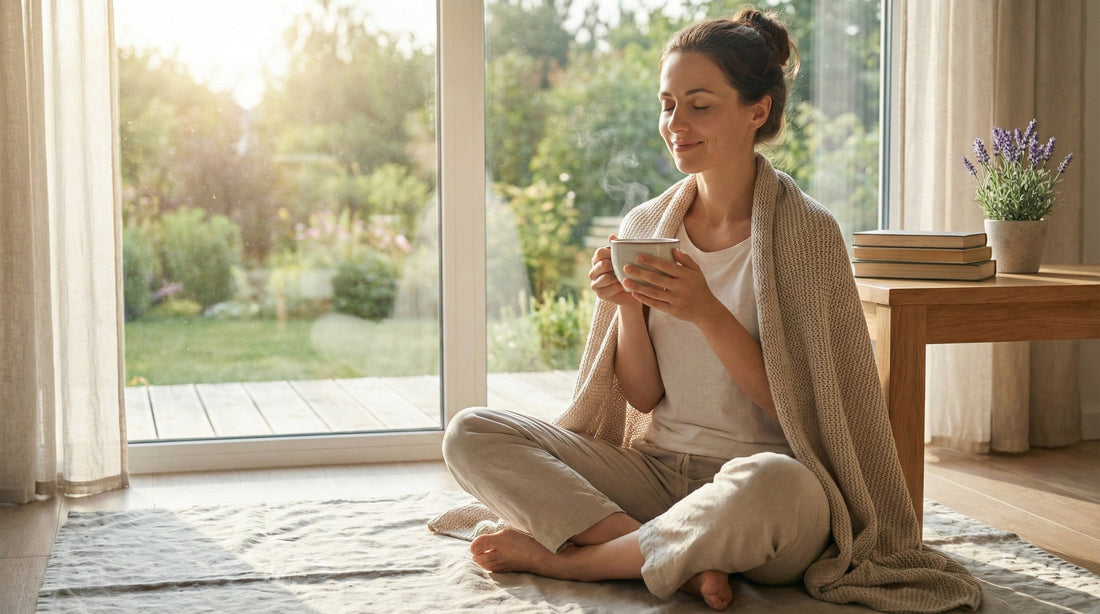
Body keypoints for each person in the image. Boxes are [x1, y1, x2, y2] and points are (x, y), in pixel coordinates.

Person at [435, 7, 982, 613]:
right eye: (667, 104)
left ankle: (580, 561)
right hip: (654, 476)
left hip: (759, 491)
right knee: (471, 431)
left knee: (774, 483)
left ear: (757, 111)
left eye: (699, 105)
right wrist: (627, 310)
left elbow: (805, 407)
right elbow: (642, 398)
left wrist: (707, 311)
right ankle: (676, 557)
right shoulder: (647, 225)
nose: (676, 124)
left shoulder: (808, 234)